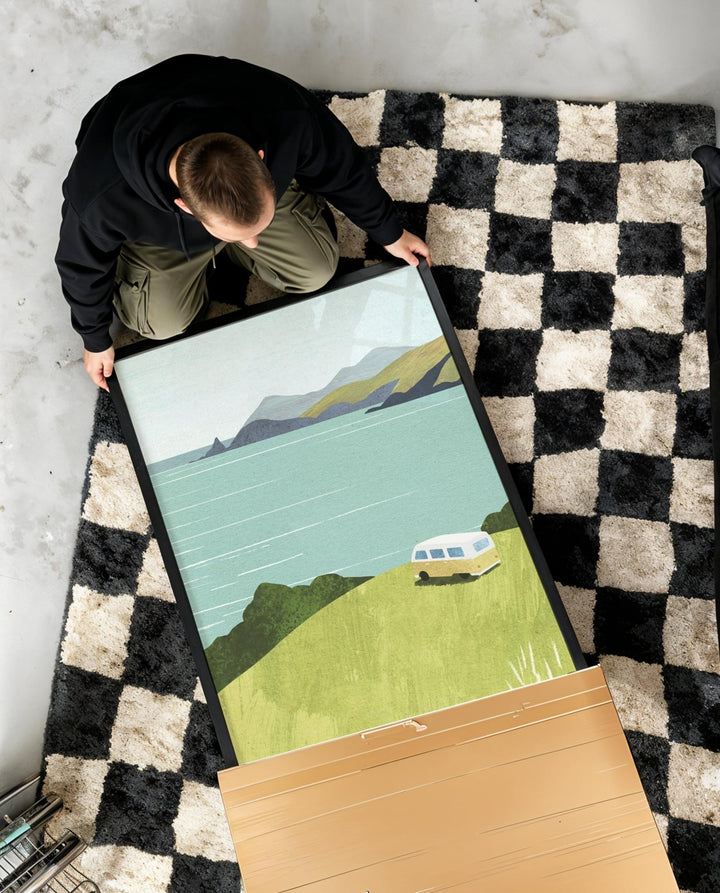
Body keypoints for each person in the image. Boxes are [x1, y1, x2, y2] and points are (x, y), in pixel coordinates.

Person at [55, 54, 432, 391]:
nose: (253, 243)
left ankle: (248, 221)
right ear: (185, 207)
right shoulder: (100, 195)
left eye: (256, 230)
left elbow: (343, 167)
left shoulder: (284, 112)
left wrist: (389, 231)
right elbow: (80, 265)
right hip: (158, 237)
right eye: (241, 237)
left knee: (316, 271)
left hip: (236, 177)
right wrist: (94, 338)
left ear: (262, 158)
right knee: (161, 324)